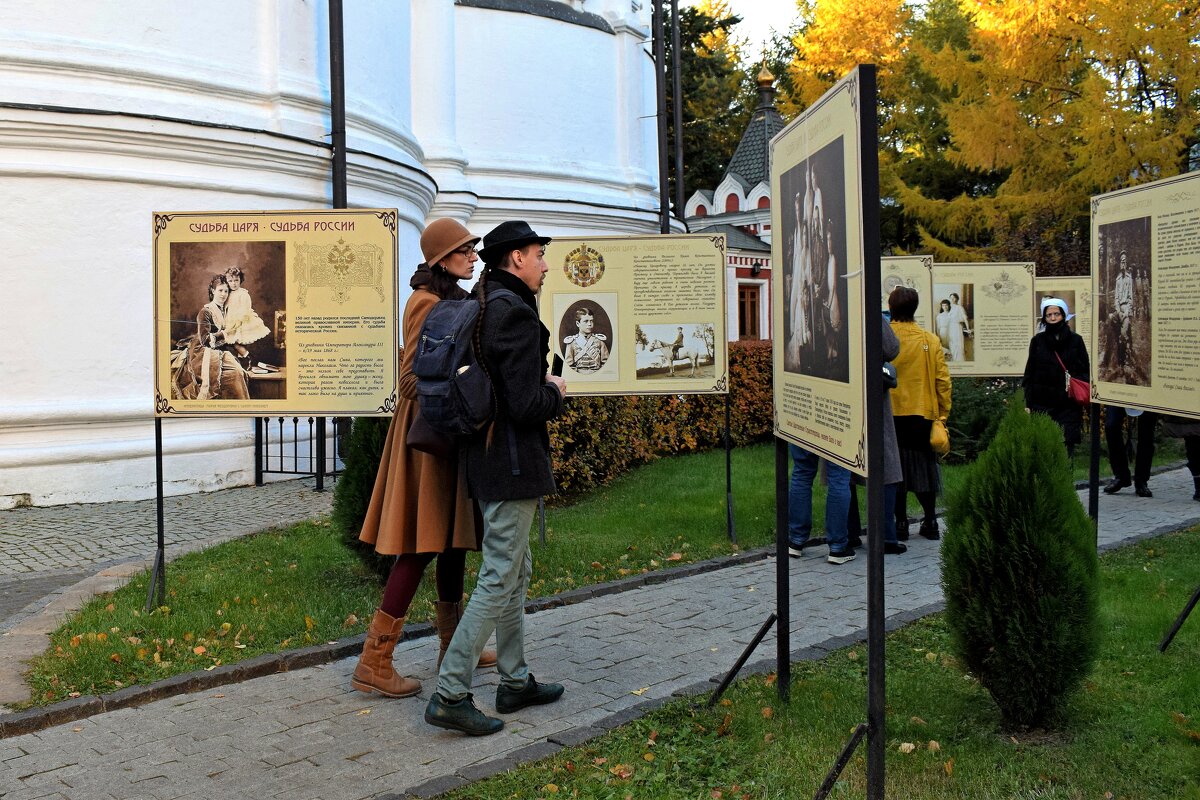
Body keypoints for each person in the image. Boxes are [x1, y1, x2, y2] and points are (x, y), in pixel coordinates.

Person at [425, 220, 567, 736]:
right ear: (516, 259)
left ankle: (514, 680)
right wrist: (556, 390)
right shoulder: (513, 316)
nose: (546, 264)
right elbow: (526, 403)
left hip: (486, 460)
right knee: (500, 576)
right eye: (538, 254)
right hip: (509, 462)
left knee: (514, 569)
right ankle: (450, 691)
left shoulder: (485, 300)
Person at [351, 218, 496, 699]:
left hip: (449, 436)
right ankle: (375, 659)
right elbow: (411, 377)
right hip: (427, 439)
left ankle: (455, 648)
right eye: (465, 250)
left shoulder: (452, 300)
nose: (473, 256)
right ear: (441, 259)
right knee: (419, 546)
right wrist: (460, 387)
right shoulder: (424, 303)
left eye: (473, 248)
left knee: (453, 541)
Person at [889, 286, 952, 540]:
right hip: (922, 412)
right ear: (914, 308)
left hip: (890, 412)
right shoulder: (929, 339)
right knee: (925, 468)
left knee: (895, 469)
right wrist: (943, 413)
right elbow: (942, 380)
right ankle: (930, 521)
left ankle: (901, 523)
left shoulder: (883, 336)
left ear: (891, 308)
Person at [1022, 297, 1089, 456]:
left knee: (1067, 448)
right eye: (1049, 315)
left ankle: (1066, 480)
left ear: (1063, 315)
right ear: (1044, 318)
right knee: (1044, 447)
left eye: (1056, 314)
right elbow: (1030, 371)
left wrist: (1075, 383)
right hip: (1042, 403)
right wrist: (1028, 402)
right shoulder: (1037, 341)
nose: (1052, 318)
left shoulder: (1076, 340)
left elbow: (1084, 369)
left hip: (1068, 403)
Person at [190, 274, 250, 400]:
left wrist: (243, 351)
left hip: (220, 350)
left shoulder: (226, 310)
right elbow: (205, 340)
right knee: (235, 374)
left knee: (240, 372)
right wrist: (224, 333)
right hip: (203, 351)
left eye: (226, 291)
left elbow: (229, 337)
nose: (223, 294)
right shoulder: (205, 311)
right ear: (213, 291)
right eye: (220, 290)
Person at [221, 266, 271, 365]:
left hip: (241, 321)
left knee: (235, 342)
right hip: (230, 321)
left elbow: (245, 310)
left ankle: (248, 358)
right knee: (230, 343)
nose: (234, 283)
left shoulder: (243, 294)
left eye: (236, 280)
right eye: (230, 281)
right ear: (226, 281)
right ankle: (242, 360)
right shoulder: (227, 293)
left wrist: (237, 323)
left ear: (241, 280)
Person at [1103, 407, 1157, 497]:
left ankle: (1141, 481)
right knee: (1111, 425)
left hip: (1149, 394)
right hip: (1118, 394)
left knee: (1146, 433)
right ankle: (1121, 475)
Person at [1161, 415, 1200, 501]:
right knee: (1193, 449)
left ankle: (1198, 489)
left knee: (1193, 449)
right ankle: (1198, 488)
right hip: (1190, 418)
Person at [563, 307, 608, 373]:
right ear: (578, 324)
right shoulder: (572, 342)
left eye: (591, 321)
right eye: (586, 321)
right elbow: (568, 366)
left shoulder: (600, 341)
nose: (589, 324)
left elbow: (606, 364)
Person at [945, 292, 970, 362]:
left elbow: (965, 318)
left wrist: (968, 329)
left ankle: (959, 361)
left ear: (957, 299)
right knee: (952, 344)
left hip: (956, 327)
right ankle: (954, 360)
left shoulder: (959, 307)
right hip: (951, 328)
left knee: (957, 345)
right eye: (951, 298)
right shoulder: (951, 308)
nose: (952, 299)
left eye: (954, 298)